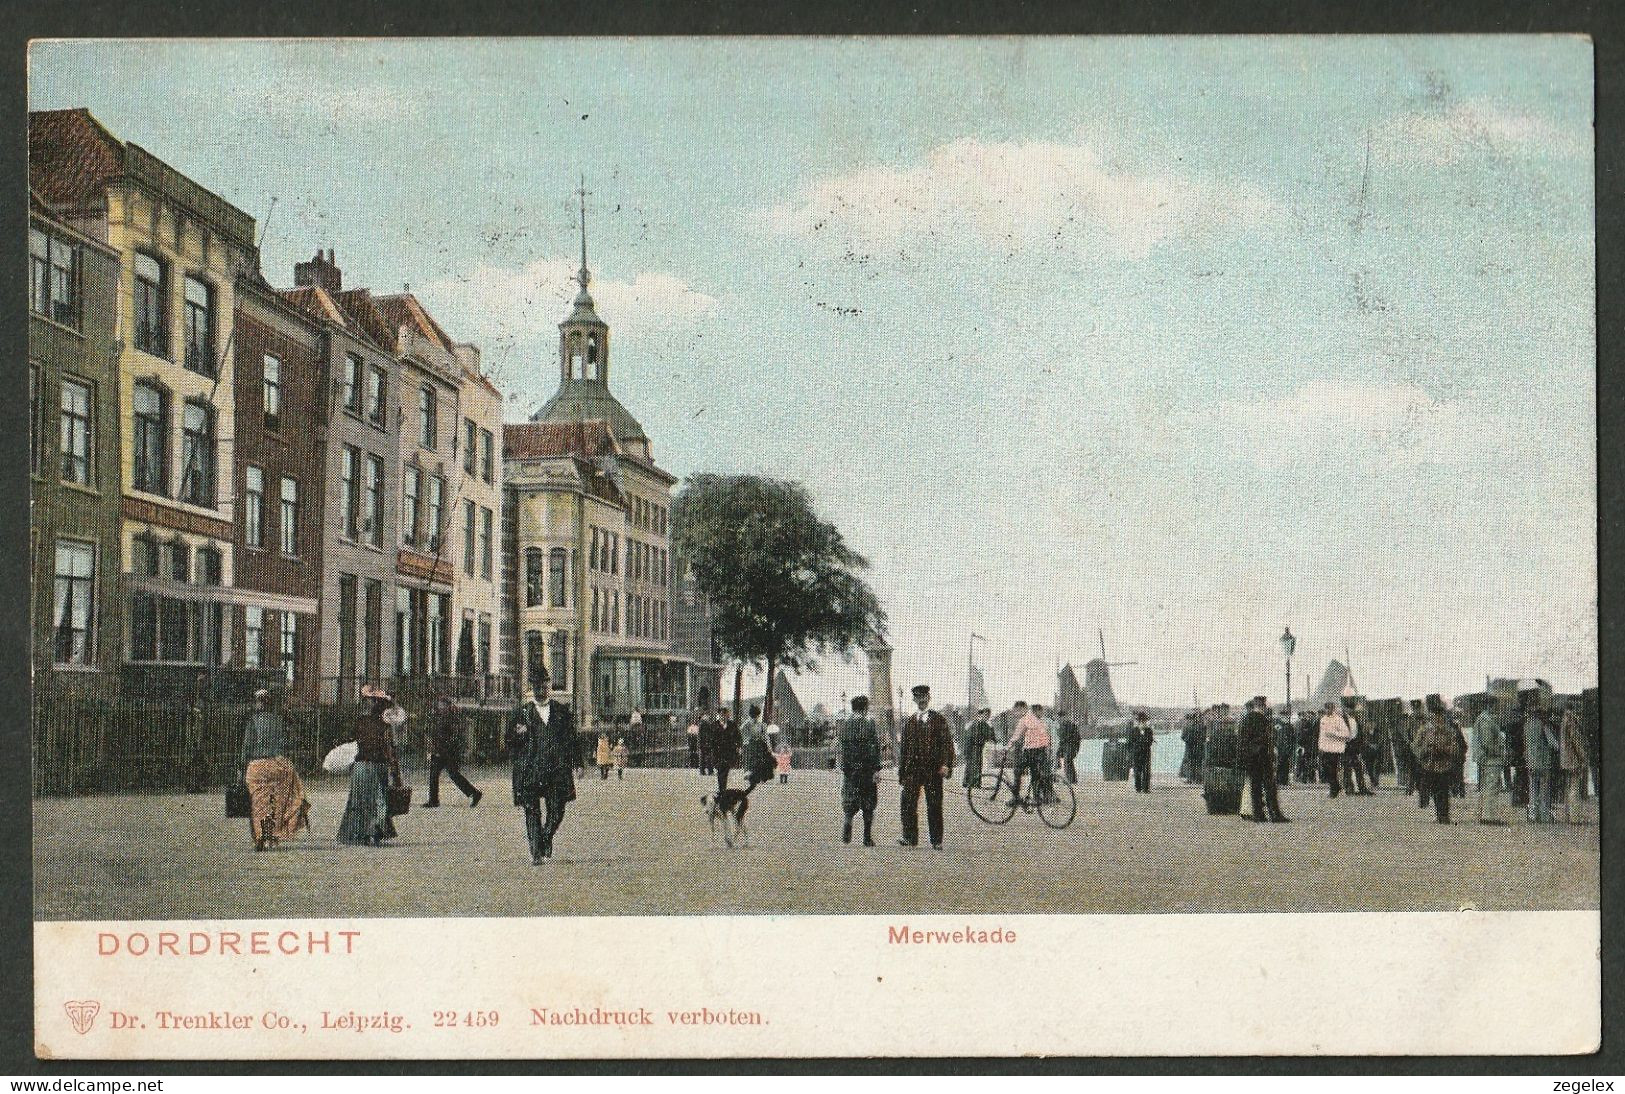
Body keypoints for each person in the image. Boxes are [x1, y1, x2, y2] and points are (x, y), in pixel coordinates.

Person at [506, 673, 577, 863]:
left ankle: (546, 837)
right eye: (537, 687)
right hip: (530, 770)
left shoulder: (561, 711)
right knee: (532, 811)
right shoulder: (522, 713)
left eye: (544, 687)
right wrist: (519, 735)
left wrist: (577, 763)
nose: (541, 691)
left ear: (549, 687)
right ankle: (536, 852)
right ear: (532, 689)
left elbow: (572, 739)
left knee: (557, 811)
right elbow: (509, 741)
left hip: (556, 770)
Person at [238, 688, 310, 851]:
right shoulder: (279, 720)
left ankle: (259, 837)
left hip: (257, 766)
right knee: (276, 802)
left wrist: (241, 767)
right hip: (278, 765)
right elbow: (287, 743)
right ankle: (272, 834)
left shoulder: (252, 722)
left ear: (257, 703)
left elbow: (246, 747)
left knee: (257, 803)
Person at [338, 687, 401, 846]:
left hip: (362, 766)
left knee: (359, 801)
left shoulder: (361, 721)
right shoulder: (384, 726)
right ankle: (374, 831)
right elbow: (389, 750)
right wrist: (396, 773)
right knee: (378, 800)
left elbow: (350, 741)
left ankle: (357, 833)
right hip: (376, 765)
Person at [897, 684, 955, 848]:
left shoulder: (938, 720)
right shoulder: (909, 722)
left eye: (924, 698)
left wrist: (945, 764)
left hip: (933, 770)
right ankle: (909, 837)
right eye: (918, 698)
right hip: (912, 770)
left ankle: (936, 841)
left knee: (934, 804)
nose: (921, 701)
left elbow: (947, 744)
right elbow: (904, 750)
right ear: (914, 700)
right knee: (908, 803)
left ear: (929, 698)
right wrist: (902, 772)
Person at [1236, 696, 1289, 823]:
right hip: (1263, 756)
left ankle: (1258, 814)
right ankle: (1275, 814)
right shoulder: (1262, 719)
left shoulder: (1246, 719)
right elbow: (1266, 739)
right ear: (1263, 705)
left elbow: (1242, 741)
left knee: (1255, 787)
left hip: (1251, 758)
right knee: (1270, 786)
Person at [424, 695, 481, 808]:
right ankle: (433, 800)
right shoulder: (438, 716)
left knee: (454, 775)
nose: (440, 707)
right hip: (439, 751)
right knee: (434, 775)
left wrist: (446, 748)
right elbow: (434, 732)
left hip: (449, 752)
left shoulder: (453, 717)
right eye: (439, 704)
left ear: (448, 706)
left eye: (442, 705)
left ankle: (475, 793)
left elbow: (455, 735)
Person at [839, 696, 882, 846]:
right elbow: (874, 748)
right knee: (868, 804)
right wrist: (876, 769)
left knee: (850, 800)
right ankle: (867, 837)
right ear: (865, 708)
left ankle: (848, 820)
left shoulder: (845, 724)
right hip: (866, 770)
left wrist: (845, 767)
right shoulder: (869, 724)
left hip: (850, 770)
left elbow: (843, 749)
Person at [1412, 698, 1459, 824]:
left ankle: (1444, 815)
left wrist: (1443, 749)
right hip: (1429, 765)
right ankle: (1438, 813)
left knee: (1443, 790)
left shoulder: (1449, 731)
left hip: (1444, 765)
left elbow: (1455, 748)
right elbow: (1416, 747)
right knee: (1433, 790)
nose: (1437, 718)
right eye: (1434, 716)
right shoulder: (1424, 730)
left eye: (1439, 716)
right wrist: (1426, 751)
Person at [1470, 700, 1507, 826]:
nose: (1497, 708)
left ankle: (1487, 815)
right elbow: (1487, 743)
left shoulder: (1484, 718)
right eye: (1496, 705)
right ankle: (1489, 816)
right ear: (1490, 705)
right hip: (1491, 759)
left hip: (1487, 758)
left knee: (1488, 787)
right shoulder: (1486, 720)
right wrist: (1499, 752)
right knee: (1492, 787)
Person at [1008, 702, 1053, 804]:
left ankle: (1015, 798)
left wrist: (1007, 748)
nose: (1015, 714)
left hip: (1030, 751)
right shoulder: (1038, 719)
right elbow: (1046, 735)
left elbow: (1016, 736)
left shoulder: (1024, 719)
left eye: (1016, 711)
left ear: (1021, 709)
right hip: (1041, 750)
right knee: (1035, 774)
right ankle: (1037, 798)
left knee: (1017, 771)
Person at [1524, 702, 1558, 824]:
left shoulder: (1526, 725)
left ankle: (1532, 815)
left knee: (1532, 790)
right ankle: (1544, 816)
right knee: (1544, 790)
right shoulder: (1543, 725)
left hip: (1530, 762)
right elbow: (1553, 744)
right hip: (1543, 762)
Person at [1559, 707, 1589, 824]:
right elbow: (1576, 741)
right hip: (1573, 759)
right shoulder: (1571, 720)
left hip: (1565, 760)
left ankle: (1568, 815)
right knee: (1574, 788)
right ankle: (1574, 817)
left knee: (1568, 788)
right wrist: (1583, 756)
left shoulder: (1564, 719)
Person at [1318, 701, 1352, 798]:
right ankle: (1336, 786)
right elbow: (1322, 735)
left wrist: (1334, 734)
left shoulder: (1338, 720)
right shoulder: (1323, 719)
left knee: (1332, 769)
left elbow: (1346, 734)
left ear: (1333, 709)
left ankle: (1334, 789)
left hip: (1335, 749)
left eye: (1329, 708)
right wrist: (1320, 746)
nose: (1327, 710)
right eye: (1326, 708)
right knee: (1325, 770)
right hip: (1325, 748)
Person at [1340, 698, 1374, 795]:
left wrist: (1360, 746)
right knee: (1347, 769)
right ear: (1346, 709)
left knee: (1358, 768)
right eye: (1350, 709)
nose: (1352, 711)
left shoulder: (1356, 719)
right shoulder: (1342, 720)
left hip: (1354, 747)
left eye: (1353, 709)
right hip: (1346, 747)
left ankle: (1362, 788)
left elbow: (1359, 734)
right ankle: (1349, 789)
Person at [740, 705, 775, 792]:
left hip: (760, 745)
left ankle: (760, 776)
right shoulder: (746, 724)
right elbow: (741, 734)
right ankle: (749, 774)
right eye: (754, 716)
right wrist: (744, 743)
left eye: (757, 716)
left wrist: (769, 746)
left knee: (760, 761)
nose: (756, 718)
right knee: (750, 760)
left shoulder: (762, 725)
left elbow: (766, 736)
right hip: (750, 745)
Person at [961, 707, 995, 789]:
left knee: (971, 764)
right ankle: (974, 784)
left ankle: (967, 782)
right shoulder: (980, 724)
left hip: (973, 746)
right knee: (976, 765)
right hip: (974, 746)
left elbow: (990, 737)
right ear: (982, 714)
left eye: (988, 715)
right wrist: (991, 728)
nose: (987, 716)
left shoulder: (977, 723)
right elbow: (989, 737)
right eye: (986, 714)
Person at [1392, 701, 1420, 795]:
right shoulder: (1403, 722)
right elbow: (1406, 735)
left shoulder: (1409, 721)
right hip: (1407, 748)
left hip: (1410, 747)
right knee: (1410, 768)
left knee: (1411, 768)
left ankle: (1411, 787)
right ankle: (1410, 787)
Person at [713, 705, 742, 794]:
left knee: (725, 771)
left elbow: (739, 737)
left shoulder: (732, 725)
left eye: (725, 714)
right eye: (721, 714)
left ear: (727, 715)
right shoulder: (714, 725)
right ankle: (722, 790)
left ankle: (722, 790)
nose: (723, 716)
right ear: (719, 715)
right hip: (718, 752)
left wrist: (739, 746)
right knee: (720, 771)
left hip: (729, 752)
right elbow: (710, 739)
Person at [1128, 711, 1155, 793]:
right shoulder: (1133, 730)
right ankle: (1138, 788)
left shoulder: (1149, 730)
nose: (1143, 722)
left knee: (1146, 771)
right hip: (1136, 753)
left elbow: (1150, 741)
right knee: (1137, 771)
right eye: (1141, 721)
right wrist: (1131, 753)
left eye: (1144, 721)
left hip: (1146, 753)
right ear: (1138, 722)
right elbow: (1130, 742)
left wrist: (1143, 742)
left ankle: (1146, 788)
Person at [1056, 715, 1082, 786]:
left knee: (1067, 761)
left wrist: (1076, 748)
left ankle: (1071, 779)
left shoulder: (1069, 725)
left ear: (1064, 717)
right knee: (1067, 761)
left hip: (1071, 746)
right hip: (1067, 746)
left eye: (1061, 718)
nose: (1059, 719)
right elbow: (1061, 739)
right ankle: (1072, 779)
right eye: (1058, 718)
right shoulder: (1061, 726)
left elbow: (1076, 738)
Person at [1179, 712, 1203, 783]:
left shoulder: (1187, 726)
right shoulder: (1200, 726)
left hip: (1189, 746)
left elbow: (1183, 736)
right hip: (1198, 747)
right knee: (1197, 763)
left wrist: (1187, 741)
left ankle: (1190, 779)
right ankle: (1198, 779)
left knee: (1190, 763)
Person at [1274, 711, 1295, 787]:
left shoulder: (1290, 726)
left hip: (1287, 748)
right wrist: (1274, 747)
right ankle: (1278, 780)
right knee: (1279, 764)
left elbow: (1293, 738)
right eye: (1285, 716)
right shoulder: (1277, 725)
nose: (1286, 718)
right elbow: (1274, 736)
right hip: (1279, 748)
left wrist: (1292, 747)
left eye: (1287, 716)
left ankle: (1284, 780)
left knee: (1286, 765)